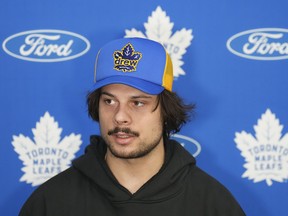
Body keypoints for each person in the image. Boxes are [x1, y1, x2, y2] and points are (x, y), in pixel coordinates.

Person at [19, 38, 245, 216]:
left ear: (166, 111)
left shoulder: (213, 204)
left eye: (137, 103)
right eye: (109, 101)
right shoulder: (51, 202)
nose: (120, 117)